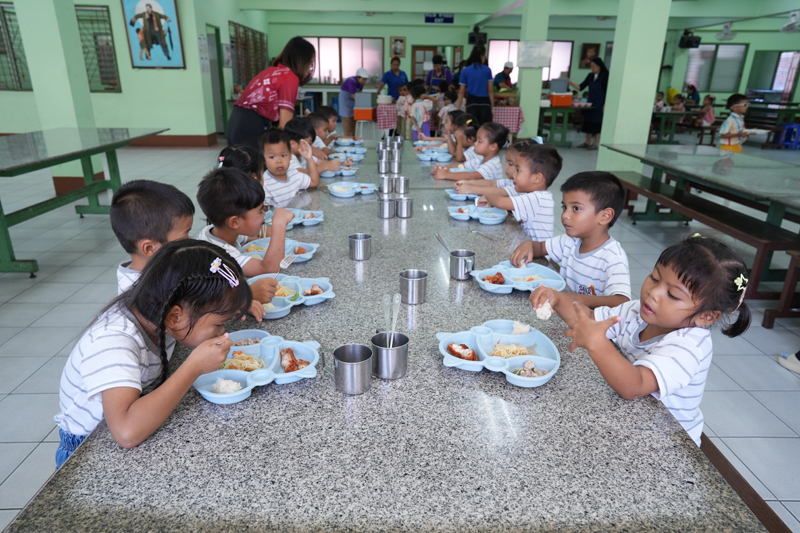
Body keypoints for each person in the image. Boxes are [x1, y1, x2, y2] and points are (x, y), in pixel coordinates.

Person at [531, 235, 752, 446]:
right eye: (655, 278)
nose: (654, 293)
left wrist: (597, 343)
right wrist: (557, 299)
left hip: (667, 442)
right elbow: (588, 319)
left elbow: (634, 386)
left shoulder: (689, 346)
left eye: (673, 295)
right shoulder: (638, 310)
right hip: (632, 417)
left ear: (707, 317)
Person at [54, 240, 251, 467]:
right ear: (174, 317)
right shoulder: (115, 342)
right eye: (219, 323)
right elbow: (126, 432)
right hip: (86, 453)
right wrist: (193, 367)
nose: (222, 331)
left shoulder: (157, 309)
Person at [511, 171, 631, 309]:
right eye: (564, 207)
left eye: (576, 208)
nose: (565, 215)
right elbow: (541, 247)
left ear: (605, 216)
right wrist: (528, 245)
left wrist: (571, 298)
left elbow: (621, 301)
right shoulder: (570, 241)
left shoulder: (613, 257)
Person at [195, 166, 293, 280]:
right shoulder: (221, 256)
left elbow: (259, 234)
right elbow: (269, 269)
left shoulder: (220, 231)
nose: (264, 215)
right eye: (260, 211)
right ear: (235, 222)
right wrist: (279, 225)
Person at [227, 37, 316, 149]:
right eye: (310, 63)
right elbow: (285, 126)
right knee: (256, 159)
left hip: (234, 122)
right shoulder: (290, 77)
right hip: (250, 126)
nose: (310, 69)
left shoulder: (271, 71)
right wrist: (310, 149)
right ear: (301, 61)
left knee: (239, 159)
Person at [110, 180, 194, 295]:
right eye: (185, 236)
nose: (190, 240)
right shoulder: (142, 298)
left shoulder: (162, 268)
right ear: (149, 248)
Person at [466, 142, 561, 242]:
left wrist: (487, 196)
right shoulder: (535, 195)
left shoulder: (538, 198)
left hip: (536, 251)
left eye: (518, 170)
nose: (514, 175)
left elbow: (501, 202)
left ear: (537, 178)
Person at [259, 129, 320, 208]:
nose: (279, 161)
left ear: (290, 155)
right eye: (272, 157)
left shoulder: (294, 174)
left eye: (283, 155)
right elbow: (264, 210)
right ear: (263, 160)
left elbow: (314, 182)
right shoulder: (264, 183)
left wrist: (309, 159)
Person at [434, 122, 508, 181]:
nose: (475, 143)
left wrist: (445, 175)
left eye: (479, 141)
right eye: (476, 140)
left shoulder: (492, 164)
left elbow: (471, 176)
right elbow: (463, 165)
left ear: (493, 147)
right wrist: (443, 168)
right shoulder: (480, 158)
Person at [568, 57, 609, 150]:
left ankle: (595, 143)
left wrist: (605, 104)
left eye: (594, 66)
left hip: (600, 103)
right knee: (588, 121)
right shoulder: (590, 76)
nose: (592, 68)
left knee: (598, 122)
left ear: (599, 67)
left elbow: (608, 91)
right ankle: (587, 142)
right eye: (591, 66)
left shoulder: (605, 76)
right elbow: (580, 87)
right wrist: (571, 83)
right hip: (590, 102)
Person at [456, 45, 494, 126]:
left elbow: (461, 92)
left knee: (471, 126)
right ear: (482, 56)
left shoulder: (465, 70)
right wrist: (492, 108)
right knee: (486, 128)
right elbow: (490, 91)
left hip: (471, 104)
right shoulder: (488, 70)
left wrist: (458, 108)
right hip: (485, 104)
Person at [338, 68, 369, 137]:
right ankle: (348, 138)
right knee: (347, 120)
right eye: (363, 79)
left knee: (353, 120)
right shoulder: (351, 81)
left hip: (353, 101)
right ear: (358, 77)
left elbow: (360, 94)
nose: (365, 81)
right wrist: (362, 105)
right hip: (345, 100)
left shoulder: (361, 83)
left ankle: (353, 138)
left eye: (366, 79)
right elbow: (354, 95)